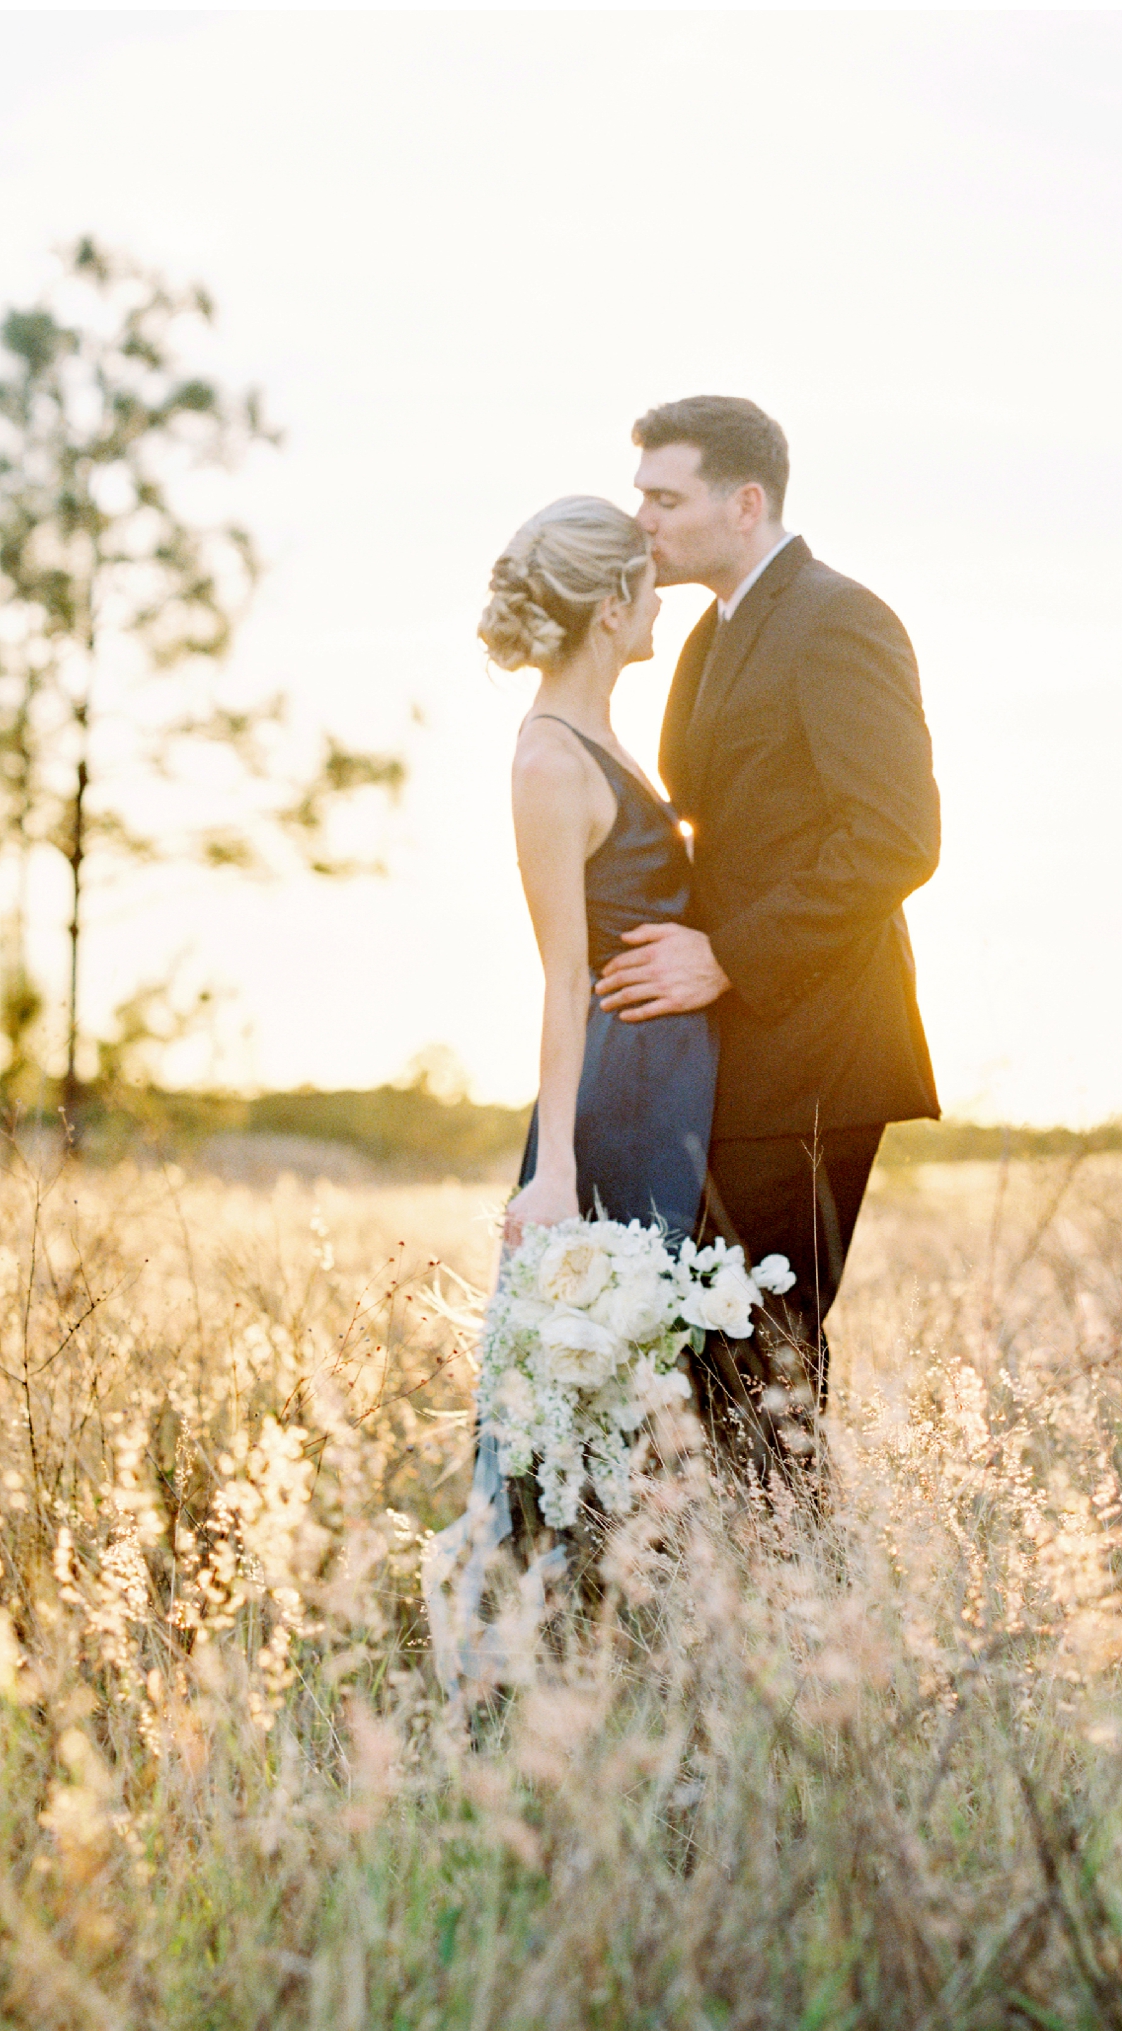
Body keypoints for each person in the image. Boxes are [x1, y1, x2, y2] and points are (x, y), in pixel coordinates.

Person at [595, 395, 941, 1461]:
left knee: (763, 1355)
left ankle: (802, 1608)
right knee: (719, 1348)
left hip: (821, 1049)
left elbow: (896, 839)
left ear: (744, 503)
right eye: (638, 496)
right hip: (743, 1054)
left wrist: (724, 956)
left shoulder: (840, 618)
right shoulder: (711, 632)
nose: (641, 521)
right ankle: (752, 1603)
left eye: (665, 497)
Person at [425, 494, 720, 1684]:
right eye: (645, 583)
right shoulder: (549, 756)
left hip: (665, 1084)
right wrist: (554, 1173)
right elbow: (561, 980)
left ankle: (615, 1638)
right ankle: (512, 1654)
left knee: (638, 1369)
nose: (659, 600)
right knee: (571, 1373)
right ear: (611, 608)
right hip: (614, 1102)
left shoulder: (598, 739)